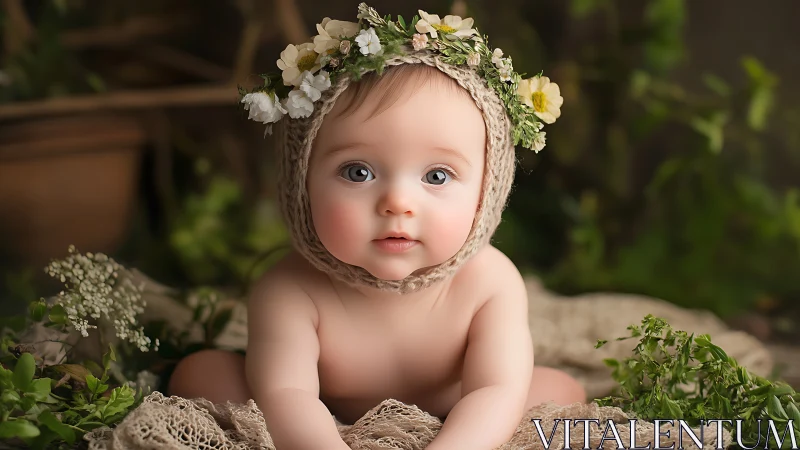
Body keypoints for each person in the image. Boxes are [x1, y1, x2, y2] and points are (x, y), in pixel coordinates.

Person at [168, 4, 585, 449]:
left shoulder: (489, 281)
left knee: (555, 392)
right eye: (358, 172)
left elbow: (493, 388)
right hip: (324, 413)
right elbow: (286, 393)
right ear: (300, 183)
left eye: (437, 176)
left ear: (487, 191)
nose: (397, 204)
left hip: (456, 410)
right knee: (201, 374)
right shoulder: (291, 288)